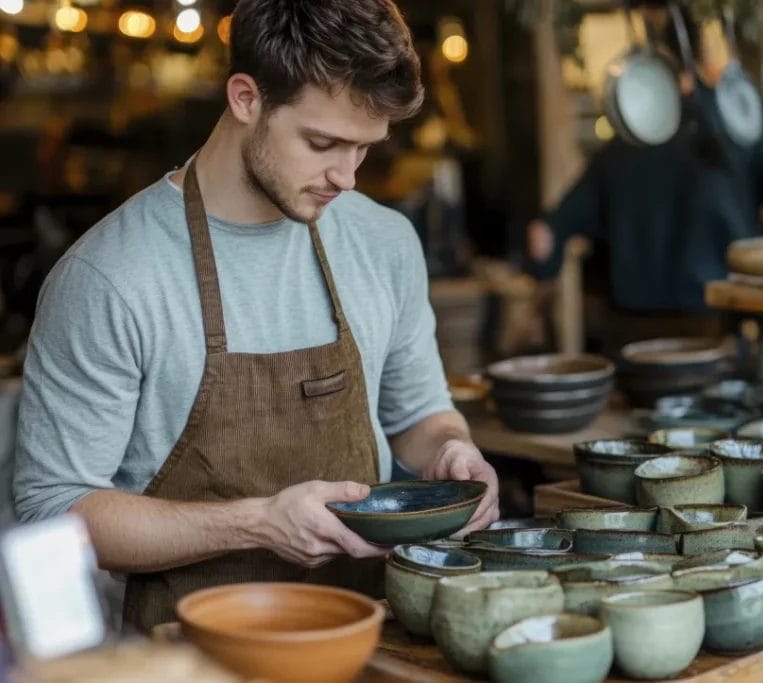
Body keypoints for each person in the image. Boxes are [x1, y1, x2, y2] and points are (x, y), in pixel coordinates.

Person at [12, 0, 499, 632]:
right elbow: (54, 510)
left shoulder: (384, 243)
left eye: (364, 149)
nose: (346, 177)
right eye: (322, 142)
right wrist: (257, 522)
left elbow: (417, 416)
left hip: (372, 641)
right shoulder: (112, 276)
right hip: (185, 655)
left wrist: (452, 450)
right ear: (246, 98)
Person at [527, 10, 763, 346]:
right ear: (702, 53)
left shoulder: (625, 140)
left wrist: (541, 288)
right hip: (713, 329)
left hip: (630, 336)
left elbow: (543, 234)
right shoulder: (736, 124)